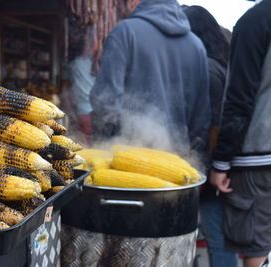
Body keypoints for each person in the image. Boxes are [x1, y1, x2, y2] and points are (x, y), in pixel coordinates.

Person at [90, 0, 210, 158]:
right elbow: (201, 118)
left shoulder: (125, 32)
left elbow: (105, 100)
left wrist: (104, 146)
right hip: (176, 163)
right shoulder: (197, 45)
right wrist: (194, 161)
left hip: (127, 158)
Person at [210, 1, 271, 266]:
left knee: (254, 241)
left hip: (259, 155)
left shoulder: (256, 20)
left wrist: (221, 162)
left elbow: (239, 97)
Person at [183, 5, 237, 267]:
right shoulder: (221, 62)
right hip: (220, 164)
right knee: (220, 239)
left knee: (217, 239)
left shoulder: (206, 67)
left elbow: (212, 124)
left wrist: (208, 169)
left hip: (211, 167)